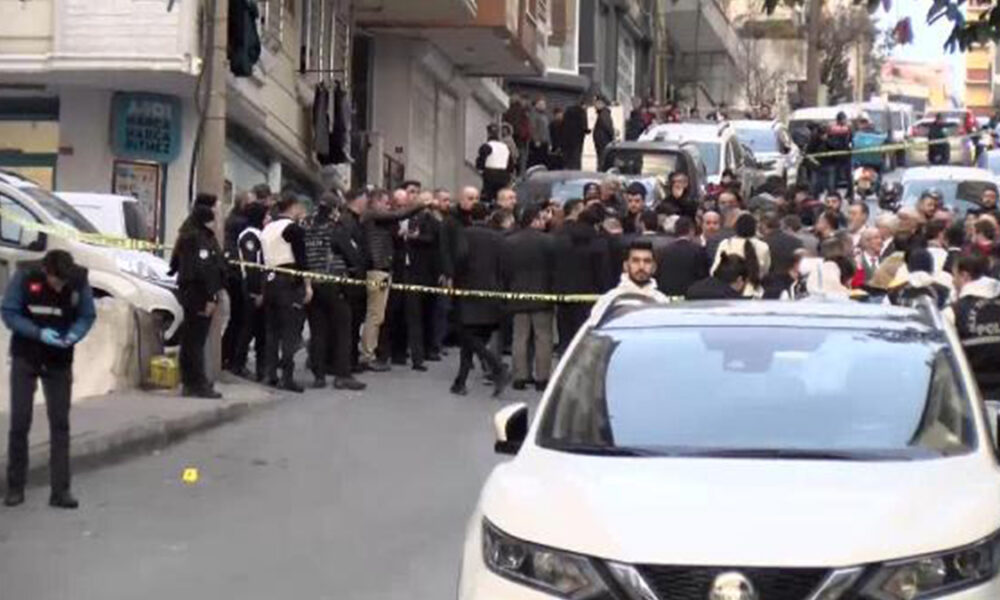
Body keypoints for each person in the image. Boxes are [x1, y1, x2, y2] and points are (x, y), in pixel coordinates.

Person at [2, 250, 96, 509]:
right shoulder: (25, 276)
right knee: (20, 422)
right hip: (26, 355)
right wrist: (37, 333)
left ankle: (61, 491)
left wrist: (74, 334)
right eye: (56, 281)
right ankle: (15, 487)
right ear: (46, 271)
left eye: (63, 282)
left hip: (59, 359)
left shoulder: (78, 281)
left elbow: (87, 315)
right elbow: (9, 313)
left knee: (60, 424)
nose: (59, 287)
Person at [360, 188, 429, 372]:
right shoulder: (373, 214)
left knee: (378, 315)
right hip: (377, 268)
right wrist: (420, 204)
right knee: (375, 315)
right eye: (386, 202)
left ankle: (372, 353)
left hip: (385, 268)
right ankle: (368, 354)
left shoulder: (377, 218)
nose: (388, 207)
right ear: (376, 202)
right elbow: (398, 215)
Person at [303, 195, 367, 390]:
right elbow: (352, 256)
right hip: (334, 284)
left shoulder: (307, 228)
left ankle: (319, 375)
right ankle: (342, 375)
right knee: (343, 329)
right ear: (333, 210)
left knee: (318, 331)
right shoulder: (335, 229)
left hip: (313, 283)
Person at [451, 203, 511, 397]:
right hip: (492, 292)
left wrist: (455, 277)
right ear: (487, 217)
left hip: (469, 291)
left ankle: (497, 367)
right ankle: (460, 382)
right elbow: (504, 265)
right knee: (473, 337)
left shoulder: (465, 234)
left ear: (470, 217)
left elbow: (460, 258)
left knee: (467, 335)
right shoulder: (498, 237)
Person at [171, 194, 227, 398]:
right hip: (198, 294)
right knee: (195, 340)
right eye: (217, 212)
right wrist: (210, 297)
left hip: (194, 292)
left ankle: (193, 381)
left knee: (192, 339)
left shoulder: (191, 234)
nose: (219, 217)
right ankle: (196, 382)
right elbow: (204, 270)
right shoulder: (198, 238)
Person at [261, 191, 313, 392]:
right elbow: (302, 260)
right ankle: (287, 376)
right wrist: (307, 285)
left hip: (269, 279)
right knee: (290, 330)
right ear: (293, 206)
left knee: (272, 330)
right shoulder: (293, 229)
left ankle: (270, 373)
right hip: (288, 281)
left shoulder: (267, 228)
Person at [502, 206, 555, 391]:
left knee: (519, 337)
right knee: (543, 337)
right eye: (541, 218)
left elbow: (505, 270)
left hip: (517, 294)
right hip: (543, 294)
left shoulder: (509, 242)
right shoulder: (549, 241)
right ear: (534, 220)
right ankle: (542, 378)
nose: (544, 221)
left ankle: (520, 377)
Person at [552, 201, 612, 351]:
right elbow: (601, 271)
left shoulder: (562, 237)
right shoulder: (598, 242)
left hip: (564, 292)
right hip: (589, 294)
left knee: (566, 333)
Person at [945, 255, 1000, 397]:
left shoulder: (953, 312)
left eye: (955, 276)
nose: (953, 281)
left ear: (965, 276)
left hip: (972, 394)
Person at [403, 190, 444, 370]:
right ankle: (420, 355)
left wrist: (413, 237)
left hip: (424, 274)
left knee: (424, 316)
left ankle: (424, 352)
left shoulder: (432, 222)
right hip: (417, 274)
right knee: (420, 317)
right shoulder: (422, 220)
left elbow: (433, 241)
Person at [232, 200, 269, 381]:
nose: (268, 219)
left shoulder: (259, 235)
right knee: (249, 329)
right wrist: (257, 292)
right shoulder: (249, 236)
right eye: (266, 216)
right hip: (252, 289)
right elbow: (253, 266)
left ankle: (262, 368)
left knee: (260, 330)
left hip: (260, 288)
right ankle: (238, 364)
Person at [591, 239, 669, 317]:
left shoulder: (662, 301)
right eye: (635, 261)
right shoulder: (609, 299)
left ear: (654, 268)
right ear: (625, 266)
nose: (641, 266)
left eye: (647, 261)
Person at [338, 188, 369, 371]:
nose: (367, 203)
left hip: (357, 277)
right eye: (365, 199)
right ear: (357, 200)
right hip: (351, 278)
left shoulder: (355, 220)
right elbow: (349, 247)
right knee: (351, 322)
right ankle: (348, 361)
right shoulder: (348, 221)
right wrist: (356, 265)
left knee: (355, 321)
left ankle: (351, 359)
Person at [222, 191, 253, 373]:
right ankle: (231, 357)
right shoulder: (242, 224)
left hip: (231, 271)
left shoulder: (231, 219)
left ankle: (226, 355)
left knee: (235, 319)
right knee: (240, 319)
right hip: (236, 273)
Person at [711, 213, 770, 297]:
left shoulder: (726, 244)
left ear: (735, 228)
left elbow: (714, 270)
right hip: (755, 293)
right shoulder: (763, 247)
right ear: (755, 228)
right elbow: (765, 271)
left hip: (727, 292)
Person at [655, 216, 708, 297]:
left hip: (667, 296)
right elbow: (703, 277)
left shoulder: (663, 251)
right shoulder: (698, 250)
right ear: (691, 231)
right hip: (691, 297)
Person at [476, 124, 515, 205]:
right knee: (500, 196)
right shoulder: (505, 147)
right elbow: (510, 164)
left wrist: (480, 169)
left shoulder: (487, 146)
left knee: (487, 196)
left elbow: (481, 160)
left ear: (488, 134)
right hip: (503, 175)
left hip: (490, 174)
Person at [561, 98, 590, 170]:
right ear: (584, 105)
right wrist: (587, 131)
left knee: (568, 159)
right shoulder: (582, 113)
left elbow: (563, 125)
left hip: (566, 140)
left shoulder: (568, 111)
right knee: (576, 159)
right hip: (577, 140)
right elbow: (584, 127)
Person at [527, 96, 551, 169]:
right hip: (538, 142)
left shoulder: (545, 116)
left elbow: (547, 130)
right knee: (537, 160)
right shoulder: (534, 115)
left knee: (544, 160)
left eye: (544, 104)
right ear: (536, 105)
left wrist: (549, 142)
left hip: (545, 142)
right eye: (541, 104)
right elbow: (533, 128)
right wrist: (536, 140)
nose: (543, 106)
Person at [592, 95, 615, 164]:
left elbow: (608, 128)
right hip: (601, 143)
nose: (594, 105)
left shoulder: (604, 114)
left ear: (601, 103)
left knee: (603, 160)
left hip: (603, 143)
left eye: (596, 102)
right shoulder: (602, 114)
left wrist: (612, 137)